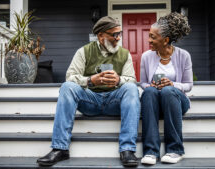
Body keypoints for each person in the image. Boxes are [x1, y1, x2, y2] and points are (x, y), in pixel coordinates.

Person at [37, 16, 140, 167]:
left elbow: (131, 79)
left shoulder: (125, 54)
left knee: (131, 88)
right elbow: (70, 77)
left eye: (120, 34)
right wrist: (90, 80)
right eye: (114, 34)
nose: (118, 38)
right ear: (101, 36)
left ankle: (127, 150)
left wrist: (119, 80)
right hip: (90, 101)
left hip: (114, 101)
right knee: (67, 87)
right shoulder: (83, 52)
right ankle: (60, 148)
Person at [139, 12, 193, 165]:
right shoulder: (146, 56)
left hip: (176, 101)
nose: (149, 40)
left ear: (166, 40)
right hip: (155, 101)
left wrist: (172, 84)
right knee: (148, 91)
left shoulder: (184, 56)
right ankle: (150, 152)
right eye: (149, 36)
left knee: (168, 91)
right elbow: (142, 83)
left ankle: (175, 150)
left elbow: (188, 85)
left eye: (153, 37)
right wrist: (151, 86)